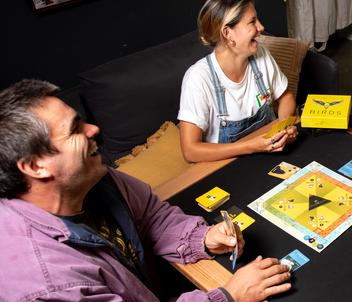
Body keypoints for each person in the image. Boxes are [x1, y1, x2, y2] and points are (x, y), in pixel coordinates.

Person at [0, 79, 292, 301]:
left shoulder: (96, 176)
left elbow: (152, 216)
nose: (93, 130)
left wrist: (202, 238)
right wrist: (229, 296)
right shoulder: (47, 284)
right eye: (75, 130)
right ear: (36, 166)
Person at [178, 0, 297, 162]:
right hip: (225, 164)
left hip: (270, 153)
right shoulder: (198, 78)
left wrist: (283, 129)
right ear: (227, 33)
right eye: (252, 21)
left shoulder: (260, 53)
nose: (261, 27)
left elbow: (286, 97)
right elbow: (190, 151)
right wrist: (251, 147)